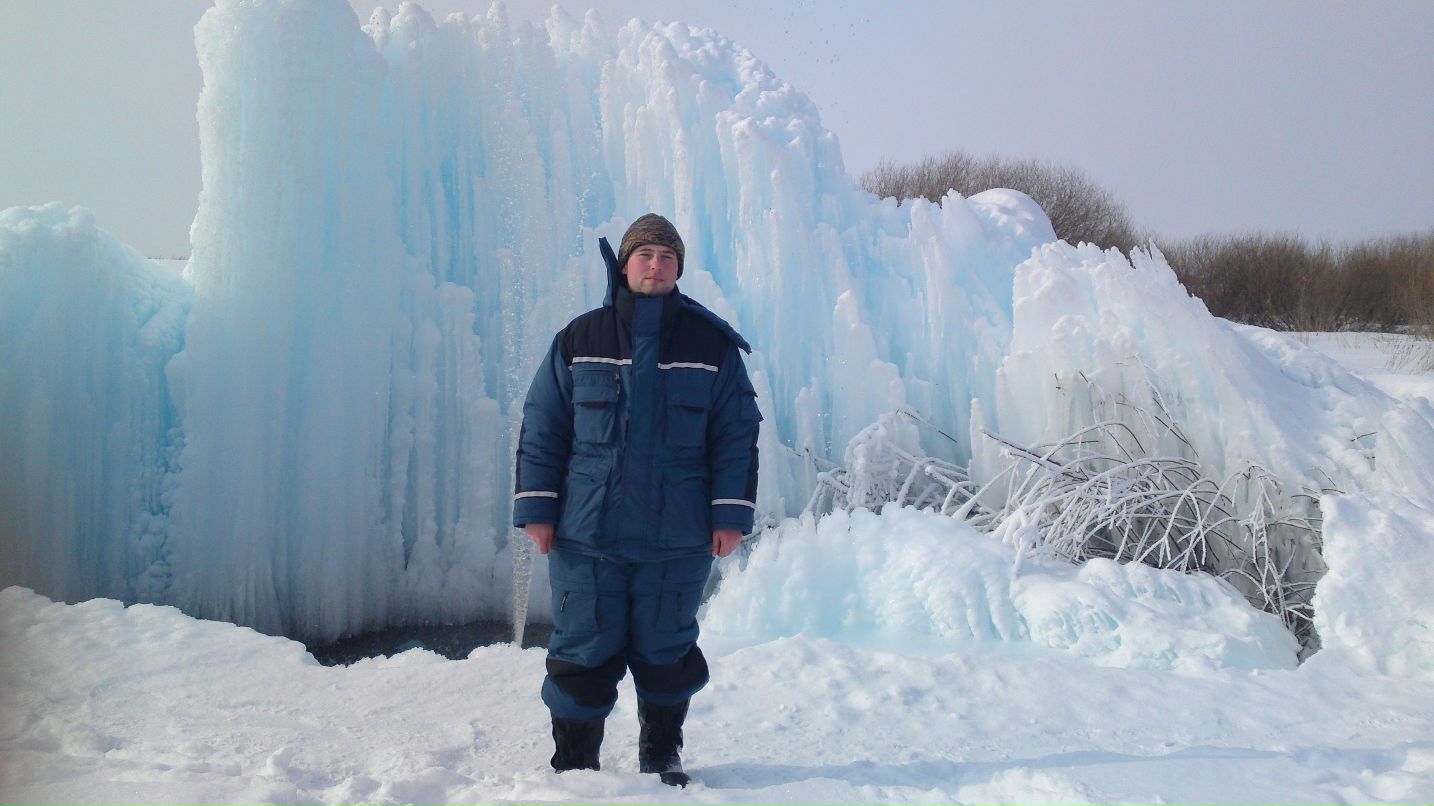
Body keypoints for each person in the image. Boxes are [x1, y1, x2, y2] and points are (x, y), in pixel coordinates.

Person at [512, 213, 761, 786]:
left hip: (677, 536)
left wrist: (729, 516)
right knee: (581, 650)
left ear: (679, 270)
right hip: (586, 533)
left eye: (667, 257)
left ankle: (661, 752)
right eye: (645, 255)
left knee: (667, 651)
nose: (656, 265)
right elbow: (544, 424)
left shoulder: (711, 345)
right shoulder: (581, 339)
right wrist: (538, 509)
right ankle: (576, 762)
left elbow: (735, 434)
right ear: (623, 266)